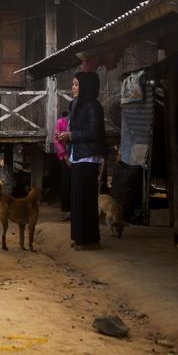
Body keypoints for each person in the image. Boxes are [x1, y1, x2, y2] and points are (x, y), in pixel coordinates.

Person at [56, 71, 105, 251]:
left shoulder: (94, 106)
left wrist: (71, 135)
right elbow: (74, 129)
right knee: (76, 200)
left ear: (86, 86)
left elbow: (95, 133)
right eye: (73, 84)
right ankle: (78, 237)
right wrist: (64, 136)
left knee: (86, 200)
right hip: (76, 155)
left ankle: (90, 240)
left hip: (88, 156)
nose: (73, 87)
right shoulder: (75, 104)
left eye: (77, 84)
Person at [53, 110, 71, 221]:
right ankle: (66, 210)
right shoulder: (60, 122)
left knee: (76, 184)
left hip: (77, 156)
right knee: (66, 182)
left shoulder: (77, 122)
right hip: (66, 156)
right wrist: (65, 156)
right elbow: (56, 140)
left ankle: (75, 210)